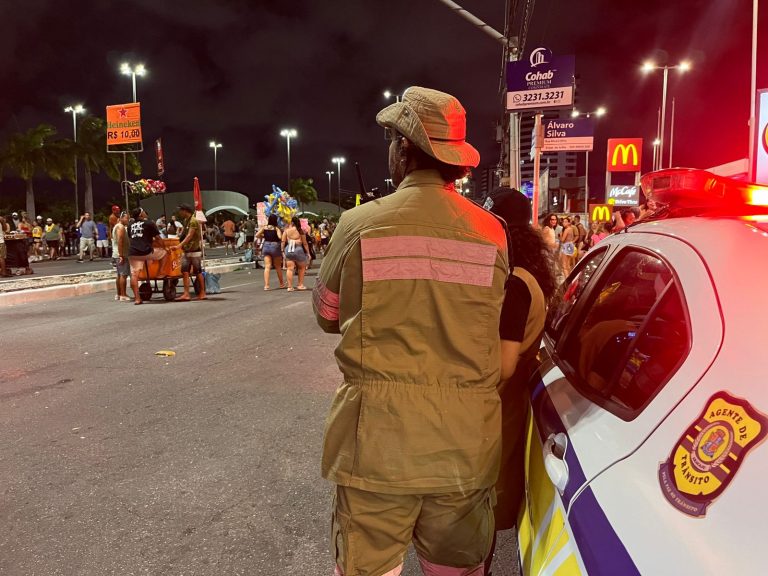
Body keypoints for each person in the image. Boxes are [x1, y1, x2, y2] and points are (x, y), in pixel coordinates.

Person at [314, 86, 508, 576]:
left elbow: (328, 314)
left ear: (402, 150)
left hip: (377, 443)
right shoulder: (493, 232)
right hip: (465, 446)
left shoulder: (360, 223)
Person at [483, 188, 557, 575]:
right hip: (510, 405)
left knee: (485, 504)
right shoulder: (530, 275)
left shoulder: (514, 285)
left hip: (498, 408)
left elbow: (504, 364)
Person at [128, 207, 167, 305]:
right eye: (144, 212)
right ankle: (160, 272)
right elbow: (158, 238)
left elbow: (132, 238)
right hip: (146, 251)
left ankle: (137, 299)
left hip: (133, 252)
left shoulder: (130, 225)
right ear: (141, 215)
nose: (146, 213)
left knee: (134, 275)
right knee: (164, 253)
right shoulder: (149, 223)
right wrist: (165, 247)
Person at [175, 203, 207, 301]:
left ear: (185, 211)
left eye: (180, 211)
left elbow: (189, 235)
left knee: (198, 271)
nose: (179, 213)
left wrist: (179, 245)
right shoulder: (186, 220)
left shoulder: (193, 220)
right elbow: (184, 234)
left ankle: (202, 293)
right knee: (185, 271)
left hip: (194, 249)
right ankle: (186, 294)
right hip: (187, 249)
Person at [255, 215, 285, 290]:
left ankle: (266, 285)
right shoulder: (276, 228)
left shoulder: (264, 227)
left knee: (267, 266)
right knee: (278, 266)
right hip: (275, 246)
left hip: (266, 246)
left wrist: (264, 235)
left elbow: (257, 235)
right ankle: (281, 284)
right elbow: (280, 237)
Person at [281, 216, 310, 291]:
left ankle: (290, 287)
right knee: (301, 267)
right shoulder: (300, 231)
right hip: (298, 249)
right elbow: (305, 243)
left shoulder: (287, 230)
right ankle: (300, 285)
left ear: (292, 222)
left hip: (289, 249)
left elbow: (283, 241)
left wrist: (282, 250)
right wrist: (308, 253)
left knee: (290, 269)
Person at [112, 211, 132, 302]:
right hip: (121, 254)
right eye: (127, 218)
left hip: (116, 253)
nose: (128, 220)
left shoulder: (116, 226)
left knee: (119, 274)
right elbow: (120, 240)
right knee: (123, 275)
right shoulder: (120, 227)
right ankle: (123, 295)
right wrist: (121, 255)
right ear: (122, 218)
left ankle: (119, 293)